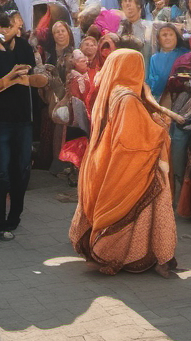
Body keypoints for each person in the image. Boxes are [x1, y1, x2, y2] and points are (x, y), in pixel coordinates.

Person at [69, 48, 183, 276]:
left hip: (111, 163)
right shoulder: (128, 99)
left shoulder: (113, 92)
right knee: (149, 212)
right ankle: (138, 255)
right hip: (135, 166)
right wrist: (159, 127)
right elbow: (134, 137)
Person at [0, 9, 48, 241]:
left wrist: (12, 79)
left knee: (23, 170)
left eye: (10, 26)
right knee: (2, 173)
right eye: (1, 27)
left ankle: (14, 218)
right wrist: (11, 77)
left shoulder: (25, 47)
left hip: (23, 119)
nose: (6, 31)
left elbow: (30, 77)